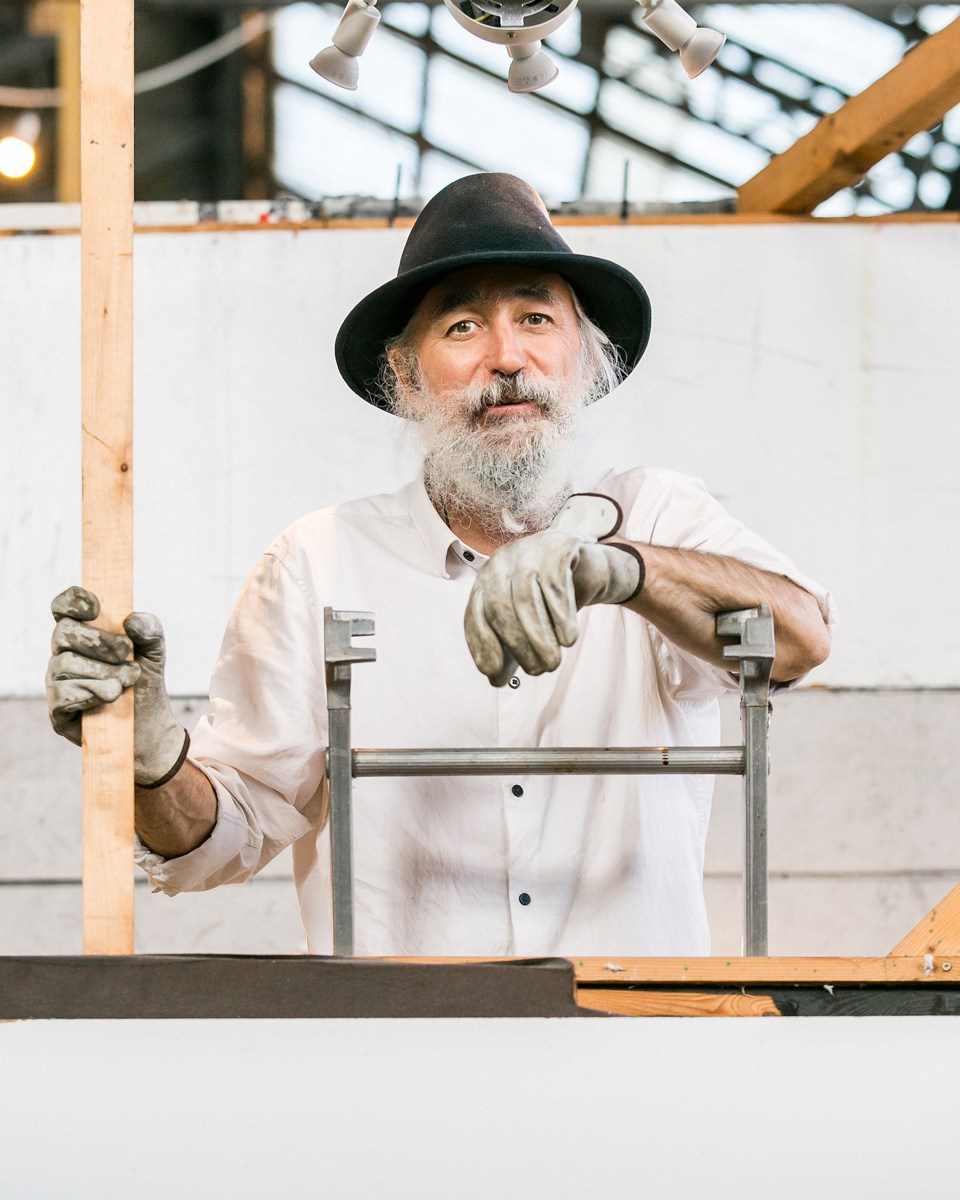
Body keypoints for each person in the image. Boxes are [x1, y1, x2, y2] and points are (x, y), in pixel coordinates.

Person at [46, 173, 834, 956]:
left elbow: (800, 637)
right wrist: (149, 760)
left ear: (585, 359)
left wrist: (621, 570)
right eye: (462, 328)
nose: (507, 358)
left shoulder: (660, 514)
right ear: (406, 373)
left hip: (632, 1042)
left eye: (535, 318)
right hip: (400, 1053)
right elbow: (221, 836)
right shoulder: (318, 562)